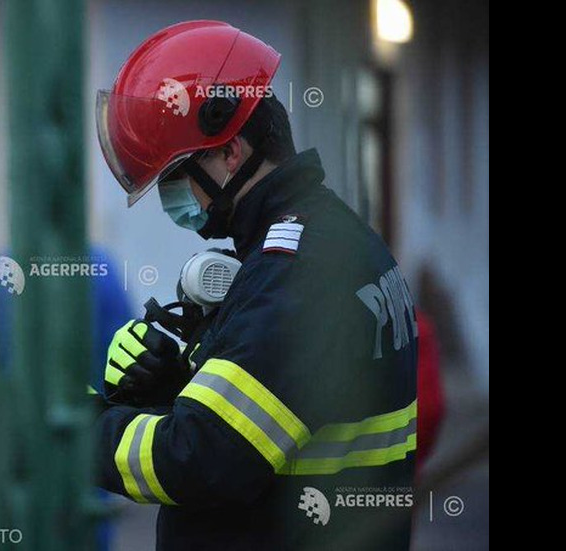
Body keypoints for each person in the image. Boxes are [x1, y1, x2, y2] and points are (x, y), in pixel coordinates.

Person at [94, 21, 418, 550]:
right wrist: (175, 389)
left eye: (175, 181)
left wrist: (86, 430)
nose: (177, 203)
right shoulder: (335, 238)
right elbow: (279, 414)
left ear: (231, 152)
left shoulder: (298, 270)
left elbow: (200, 459)